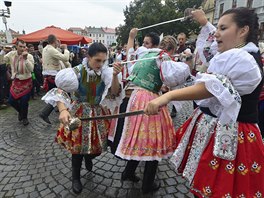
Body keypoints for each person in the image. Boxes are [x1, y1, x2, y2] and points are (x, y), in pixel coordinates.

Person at [145, 7, 264, 197]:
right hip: (221, 129)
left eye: (223, 28)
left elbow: (210, 88)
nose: (217, 33)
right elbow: (210, 56)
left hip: (232, 134)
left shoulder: (243, 60)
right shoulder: (235, 55)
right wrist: (203, 22)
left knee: (220, 187)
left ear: (243, 31)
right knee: (208, 185)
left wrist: (167, 97)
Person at [112, 30, 190, 194]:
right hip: (146, 98)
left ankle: (128, 172)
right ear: (171, 50)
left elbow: (135, 69)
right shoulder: (163, 56)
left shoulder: (145, 53)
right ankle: (147, 184)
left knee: (141, 139)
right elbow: (172, 78)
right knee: (153, 140)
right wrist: (187, 61)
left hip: (131, 96)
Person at [41, 42, 123, 194]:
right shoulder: (76, 72)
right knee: (77, 149)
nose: (101, 64)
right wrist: (63, 110)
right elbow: (61, 92)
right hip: (79, 112)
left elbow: (114, 92)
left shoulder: (106, 73)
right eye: (97, 60)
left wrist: (115, 75)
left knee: (98, 147)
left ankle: (89, 157)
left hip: (99, 113)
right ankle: (76, 177)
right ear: (88, 57)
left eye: (104, 61)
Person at [39, 34, 70, 124]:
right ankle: (64, 111)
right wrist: (66, 49)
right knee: (62, 93)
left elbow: (57, 55)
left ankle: (45, 113)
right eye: (57, 41)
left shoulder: (46, 49)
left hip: (50, 75)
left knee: (57, 95)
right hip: (53, 75)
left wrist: (59, 46)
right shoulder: (51, 49)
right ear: (54, 41)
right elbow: (65, 58)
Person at [4, 40, 34, 126]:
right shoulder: (12, 54)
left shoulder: (30, 56)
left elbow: (31, 69)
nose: (22, 48)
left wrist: (25, 59)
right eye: (20, 46)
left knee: (24, 101)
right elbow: (2, 59)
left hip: (26, 81)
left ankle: (24, 117)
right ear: (16, 46)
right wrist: (3, 51)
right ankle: (21, 112)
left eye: (24, 47)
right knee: (11, 100)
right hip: (16, 81)